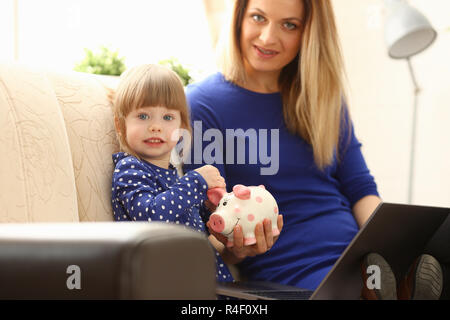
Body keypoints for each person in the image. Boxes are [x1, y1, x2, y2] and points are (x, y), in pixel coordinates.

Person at [183, 0, 388, 292]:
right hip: (293, 277)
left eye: (289, 25)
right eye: (258, 17)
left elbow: (361, 190)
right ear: (239, 18)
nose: (268, 37)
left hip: (362, 260)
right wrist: (237, 248)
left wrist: (393, 248)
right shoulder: (202, 105)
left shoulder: (323, 98)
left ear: (309, 34)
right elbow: (210, 228)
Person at [110, 64, 233, 283]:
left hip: (202, 283)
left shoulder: (173, 176)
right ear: (121, 126)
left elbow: (186, 220)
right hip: (162, 284)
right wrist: (196, 182)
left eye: (167, 118)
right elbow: (151, 215)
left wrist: (210, 210)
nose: (156, 126)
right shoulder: (130, 168)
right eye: (143, 116)